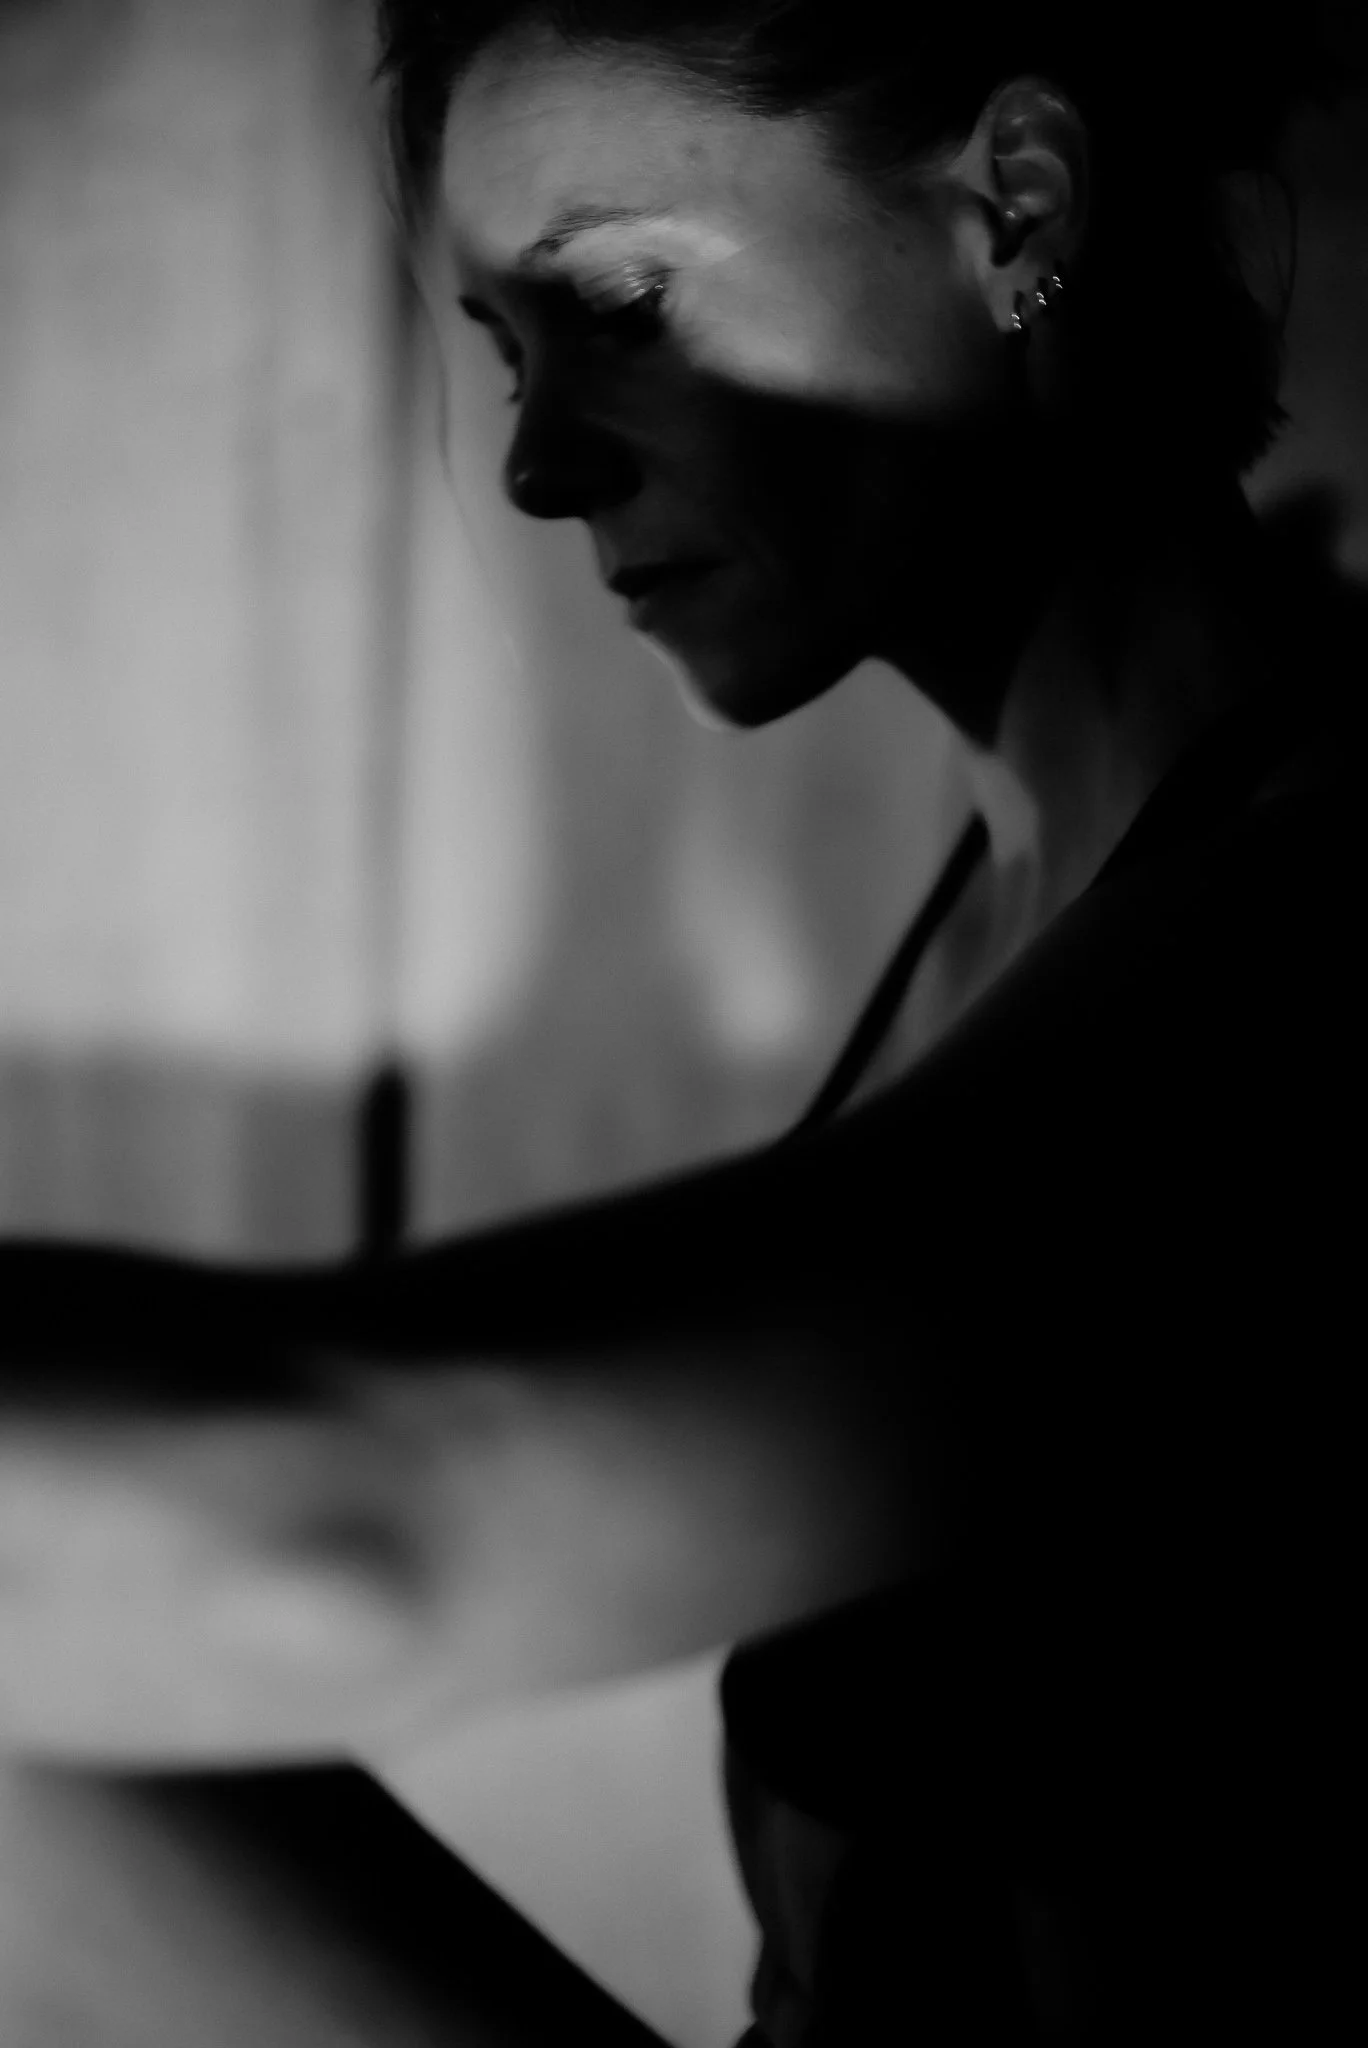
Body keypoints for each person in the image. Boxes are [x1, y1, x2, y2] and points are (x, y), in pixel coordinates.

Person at [0, 2, 1362, 2039]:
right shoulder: (1005, 909)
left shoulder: (1304, 927)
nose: (537, 463)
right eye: (507, 351)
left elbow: (345, 1519)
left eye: (622, 295)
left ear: (1018, 205)